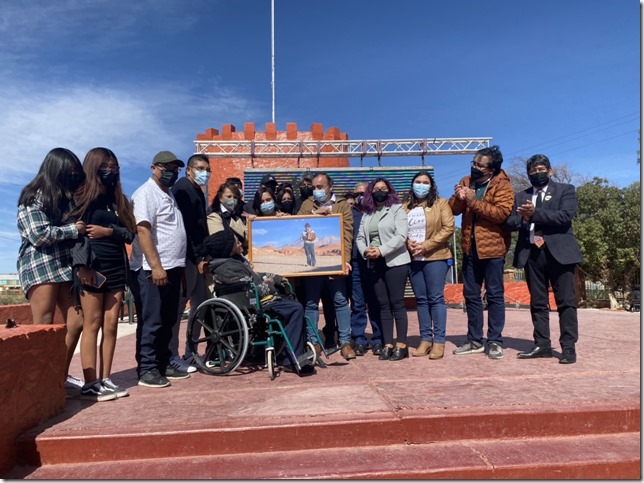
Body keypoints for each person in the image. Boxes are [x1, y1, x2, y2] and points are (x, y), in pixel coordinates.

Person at [17, 147, 86, 397]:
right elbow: (38, 234)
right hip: (39, 264)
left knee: (77, 321)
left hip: (66, 266)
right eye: (70, 171)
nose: (74, 176)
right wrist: (72, 230)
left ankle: (58, 374)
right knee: (43, 324)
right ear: (56, 169)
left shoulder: (67, 198)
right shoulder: (34, 196)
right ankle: (38, 382)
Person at [198, 229, 316, 376]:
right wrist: (272, 283)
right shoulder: (227, 267)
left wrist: (277, 278)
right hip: (251, 303)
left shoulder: (233, 262)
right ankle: (292, 359)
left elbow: (254, 277)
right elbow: (253, 288)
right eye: (237, 241)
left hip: (253, 299)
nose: (240, 243)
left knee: (292, 301)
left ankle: (295, 351)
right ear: (228, 248)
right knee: (295, 308)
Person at [70, 147, 136, 401]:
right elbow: (74, 236)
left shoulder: (119, 201)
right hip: (91, 268)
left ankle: (106, 379)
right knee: (93, 323)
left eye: (114, 167)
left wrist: (109, 232)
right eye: (105, 167)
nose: (110, 171)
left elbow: (130, 234)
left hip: (117, 268)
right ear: (93, 167)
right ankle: (90, 383)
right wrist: (81, 267)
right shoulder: (81, 198)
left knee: (110, 325)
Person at [506, 154, 583, 364]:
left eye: (540, 169)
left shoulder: (565, 190)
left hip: (560, 254)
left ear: (549, 171)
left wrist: (535, 214)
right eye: (532, 171)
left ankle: (568, 347)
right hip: (532, 253)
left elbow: (564, 216)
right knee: (538, 303)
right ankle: (542, 344)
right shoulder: (521, 196)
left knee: (565, 302)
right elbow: (511, 221)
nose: (536, 174)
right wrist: (523, 217)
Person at [129, 151, 189, 388]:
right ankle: (147, 369)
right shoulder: (145, 194)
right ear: (154, 168)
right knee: (152, 320)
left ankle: (162, 363)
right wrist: (156, 266)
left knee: (166, 319)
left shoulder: (168, 194)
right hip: (152, 269)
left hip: (173, 267)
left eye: (176, 168)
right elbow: (143, 230)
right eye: (167, 167)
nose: (172, 172)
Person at [448, 145, 513, 360]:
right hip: (469, 247)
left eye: (479, 165)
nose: (474, 167)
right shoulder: (467, 181)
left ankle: (494, 341)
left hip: (493, 249)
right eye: (473, 163)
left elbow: (501, 214)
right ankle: (474, 340)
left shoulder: (503, 185)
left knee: (494, 295)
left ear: (492, 169)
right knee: (471, 295)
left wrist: (473, 201)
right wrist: (459, 197)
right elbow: (453, 209)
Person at [297, 172, 356, 360]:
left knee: (340, 301)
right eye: (314, 187)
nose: (316, 191)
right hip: (312, 264)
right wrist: (315, 214)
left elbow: (347, 233)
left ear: (330, 187)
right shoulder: (307, 204)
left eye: (320, 187)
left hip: (334, 262)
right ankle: (314, 342)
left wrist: (344, 260)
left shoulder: (342, 205)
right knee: (311, 303)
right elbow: (297, 223)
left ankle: (345, 342)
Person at [356, 178, 411, 361]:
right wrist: (366, 250)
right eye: (376, 188)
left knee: (397, 303)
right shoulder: (367, 214)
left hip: (395, 262)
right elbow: (360, 237)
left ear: (389, 191)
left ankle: (401, 345)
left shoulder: (397, 209)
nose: (380, 191)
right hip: (374, 263)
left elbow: (401, 235)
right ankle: (388, 343)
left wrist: (381, 250)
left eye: (383, 188)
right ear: (370, 193)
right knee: (383, 305)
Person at [403, 171, 454, 360]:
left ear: (431, 185)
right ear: (412, 184)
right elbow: (399, 230)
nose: (421, 185)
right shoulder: (405, 207)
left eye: (425, 182)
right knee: (421, 300)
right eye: (417, 182)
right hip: (413, 259)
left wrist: (426, 246)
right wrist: (409, 244)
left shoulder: (441, 203)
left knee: (435, 298)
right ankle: (425, 339)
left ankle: (439, 341)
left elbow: (448, 228)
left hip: (436, 257)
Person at [168, 154, 212, 373]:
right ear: (189, 170)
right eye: (200, 168)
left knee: (200, 305)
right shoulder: (183, 190)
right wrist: (198, 259)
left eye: (207, 169)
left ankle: (191, 352)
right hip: (187, 259)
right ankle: (172, 355)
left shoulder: (197, 191)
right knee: (178, 308)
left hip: (197, 258)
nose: (204, 172)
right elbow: (186, 230)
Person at [348, 182, 383, 356]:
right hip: (355, 264)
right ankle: (359, 338)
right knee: (358, 304)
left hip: (375, 263)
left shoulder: (376, 212)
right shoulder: (347, 214)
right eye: (357, 194)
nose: (360, 196)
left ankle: (378, 338)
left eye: (364, 193)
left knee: (376, 302)